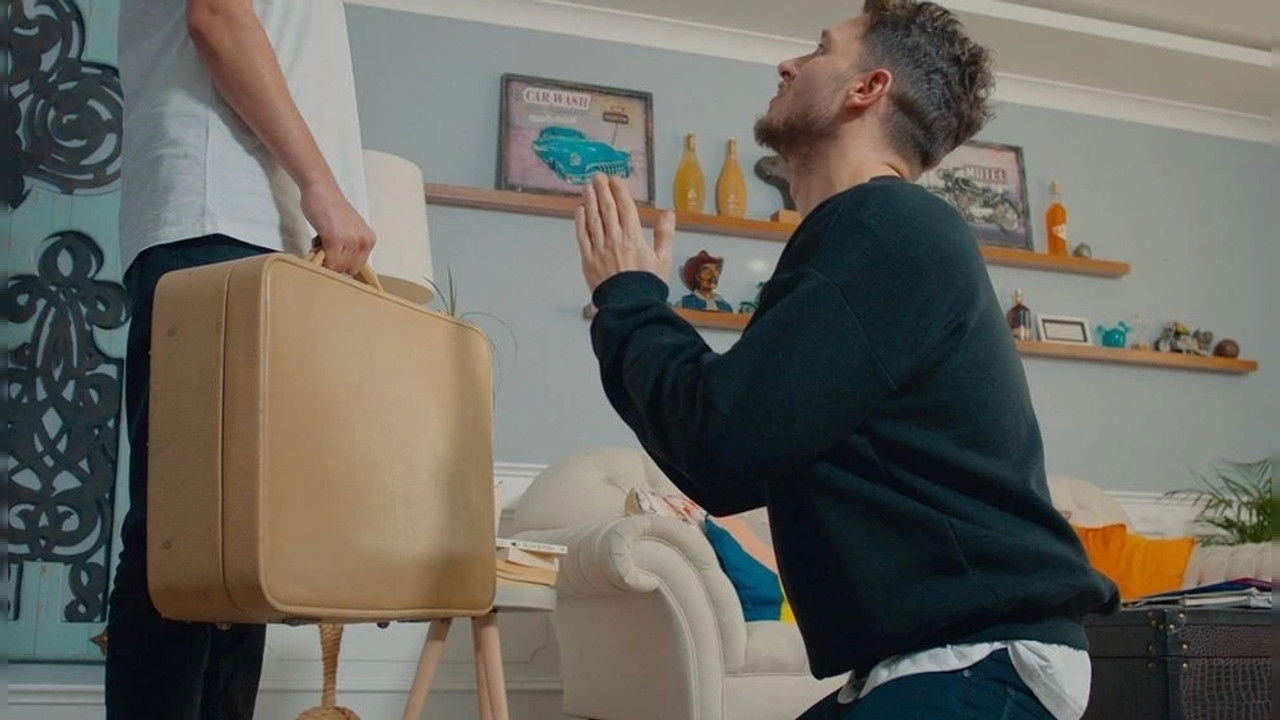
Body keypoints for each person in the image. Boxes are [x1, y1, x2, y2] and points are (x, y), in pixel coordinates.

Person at [570, 1, 1118, 719]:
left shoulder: (887, 225)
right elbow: (729, 455)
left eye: (819, 50)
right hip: (931, 663)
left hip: (981, 663)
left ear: (868, 87)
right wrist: (632, 303)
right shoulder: (871, 237)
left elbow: (719, 440)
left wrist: (629, 297)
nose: (788, 64)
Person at [107, 1, 374, 716]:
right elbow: (218, 15)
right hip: (218, 220)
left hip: (260, 235)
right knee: (187, 534)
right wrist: (322, 187)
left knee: (234, 541)